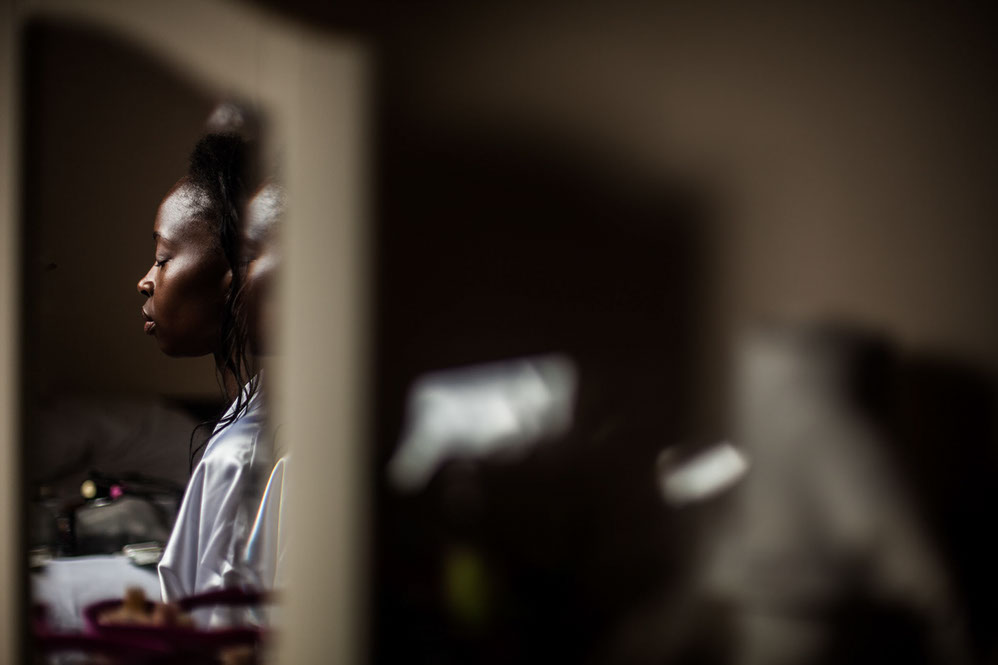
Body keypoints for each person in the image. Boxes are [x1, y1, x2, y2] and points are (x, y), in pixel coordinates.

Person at [136, 131, 267, 619]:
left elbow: (219, 633)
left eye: (164, 258)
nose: (145, 280)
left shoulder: (241, 457)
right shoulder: (250, 412)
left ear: (233, 278)